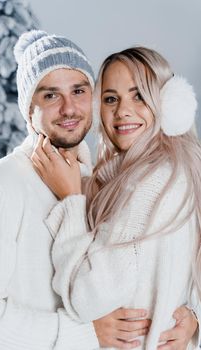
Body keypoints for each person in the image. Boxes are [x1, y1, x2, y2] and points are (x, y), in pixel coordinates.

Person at [0, 30, 160, 350]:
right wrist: (87, 334)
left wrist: (191, 317)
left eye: (78, 90)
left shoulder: (100, 183)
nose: (69, 108)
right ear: (29, 110)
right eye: (50, 95)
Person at [32, 46, 201, 349]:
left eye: (139, 96)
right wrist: (195, 317)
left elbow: (88, 298)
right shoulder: (174, 168)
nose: (123, 110)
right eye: (111, 99)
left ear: (166, 103)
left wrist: (70, 200)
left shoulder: (150, 183)